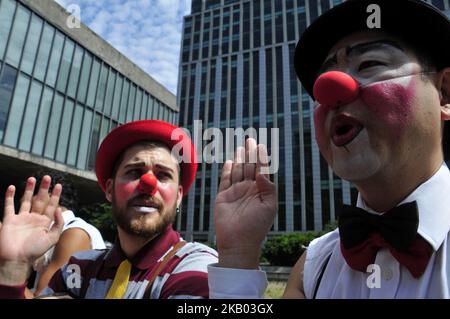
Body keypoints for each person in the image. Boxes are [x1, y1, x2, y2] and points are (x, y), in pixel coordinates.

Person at [209, 0, 450, 298]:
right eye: (322, 81)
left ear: (444, 93)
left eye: (370, 64)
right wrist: (238, 255)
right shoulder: (314, 263)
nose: (330, 89)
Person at [0, 120, 218, 298]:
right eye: (134, 172)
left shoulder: (198, 267)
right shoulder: (77, 268)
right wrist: (14, 267)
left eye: (163, 175)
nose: (148, 184)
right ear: (110, 189)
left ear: (178, 196)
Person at [27, 170, 106, 297]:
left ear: (51, 195)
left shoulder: (75, 233)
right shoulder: (59, 232)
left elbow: (43, 296)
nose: (23, 200)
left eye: (33, 193)